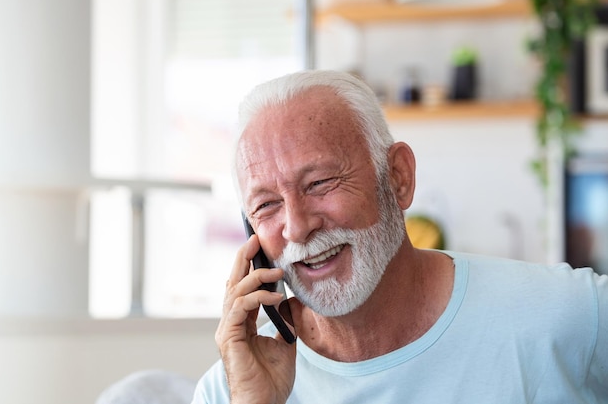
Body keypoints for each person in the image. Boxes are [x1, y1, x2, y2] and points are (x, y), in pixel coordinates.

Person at [191, 70, 608, 403]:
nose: (297, 227)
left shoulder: (569, 316)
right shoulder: (232, 388)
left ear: (398, 178)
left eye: (319, 183)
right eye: (266, 205)